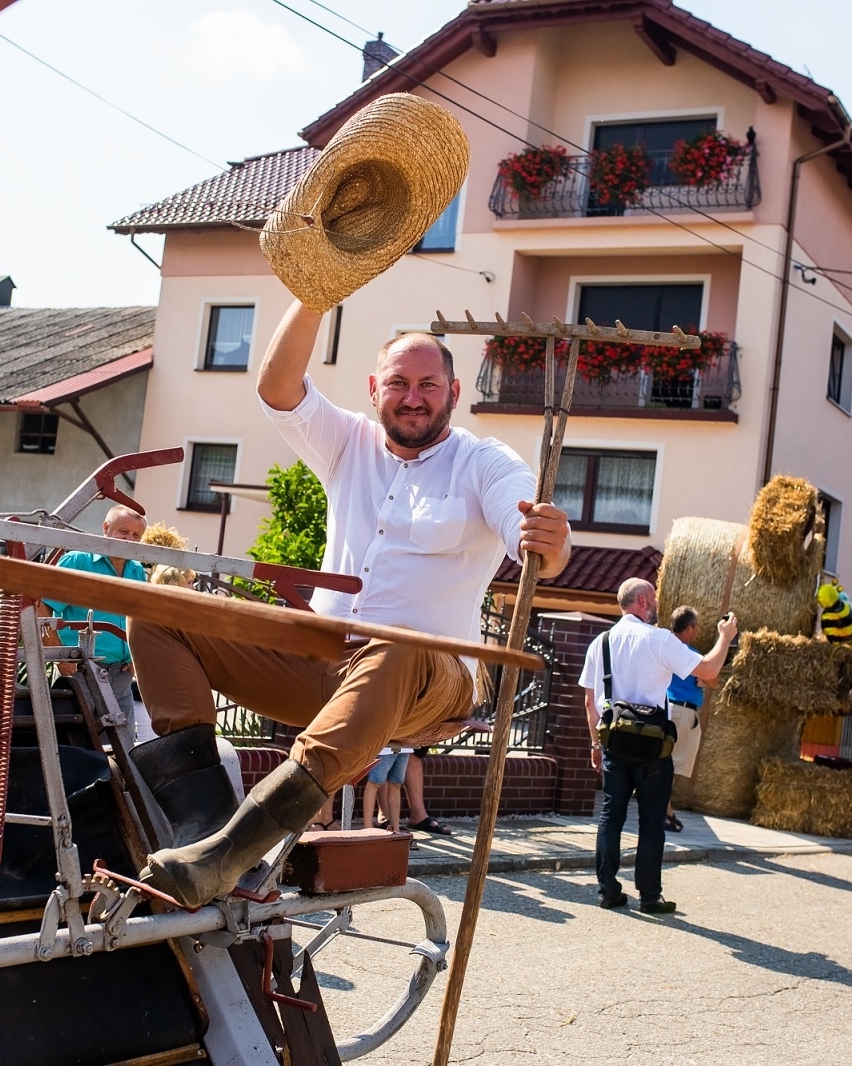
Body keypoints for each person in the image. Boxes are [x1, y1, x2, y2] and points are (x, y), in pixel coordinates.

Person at [126, 300, 571, 909]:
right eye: (398, 383)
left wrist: (549, 542)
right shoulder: (346, 445)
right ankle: (204, 831)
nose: (413, 397)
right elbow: (277, 387)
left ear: (454, 392)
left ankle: (235, 851)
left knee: (398, 644)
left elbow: (531, 539)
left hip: (432, 685)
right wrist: (314, 294)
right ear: (373, 390)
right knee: (157, 606)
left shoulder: (485, 463)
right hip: (328, 666)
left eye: (428, 385)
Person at [578, 578, 735, 914]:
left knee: (610, 816)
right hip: (652, 747)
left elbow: (589, 703)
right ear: (644, 600)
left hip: (613, 742)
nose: (658, 606)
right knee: (651, 821)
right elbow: (708, 670)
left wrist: (594, 744)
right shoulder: (660, 640)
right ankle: (649, 895)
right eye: (656, 599)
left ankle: (608, 891)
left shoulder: (600, 643)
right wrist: (725, 637)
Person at [39, 504, 149, 714]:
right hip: (80, 670)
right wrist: (61, 659)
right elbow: (41, 608)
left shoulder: (136, 569)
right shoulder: (78, 561)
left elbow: (139, 619)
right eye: (123, 532)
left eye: (136, 535)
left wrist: (135, 661)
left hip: (121, 675)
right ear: (106, 528)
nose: (130, 540)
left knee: (122, 745)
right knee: (74, 741)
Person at [663, 605, 707, 833]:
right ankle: (664, 811)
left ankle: (666, 810)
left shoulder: (667, 648)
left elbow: (711, 679)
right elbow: (714, 674)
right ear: (689, 628)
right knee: (668, 766)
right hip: (680, 712)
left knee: (669, 765)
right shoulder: (686, 653)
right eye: (697, 626)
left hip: (679, 712)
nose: (698, 630)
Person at [361, 745, 410, 837]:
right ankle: (367, 828)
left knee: (396, 784)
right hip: (385, 747)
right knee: (374, 782)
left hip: (405, 746)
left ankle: (396, 830)